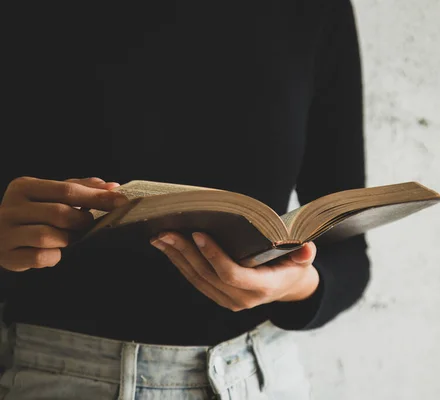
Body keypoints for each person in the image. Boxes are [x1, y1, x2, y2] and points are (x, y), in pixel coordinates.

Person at [0, 1, 370, 398]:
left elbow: (349, 254)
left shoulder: (313, 10)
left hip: (257, 377)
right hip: (53, 377)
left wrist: (298, 284)